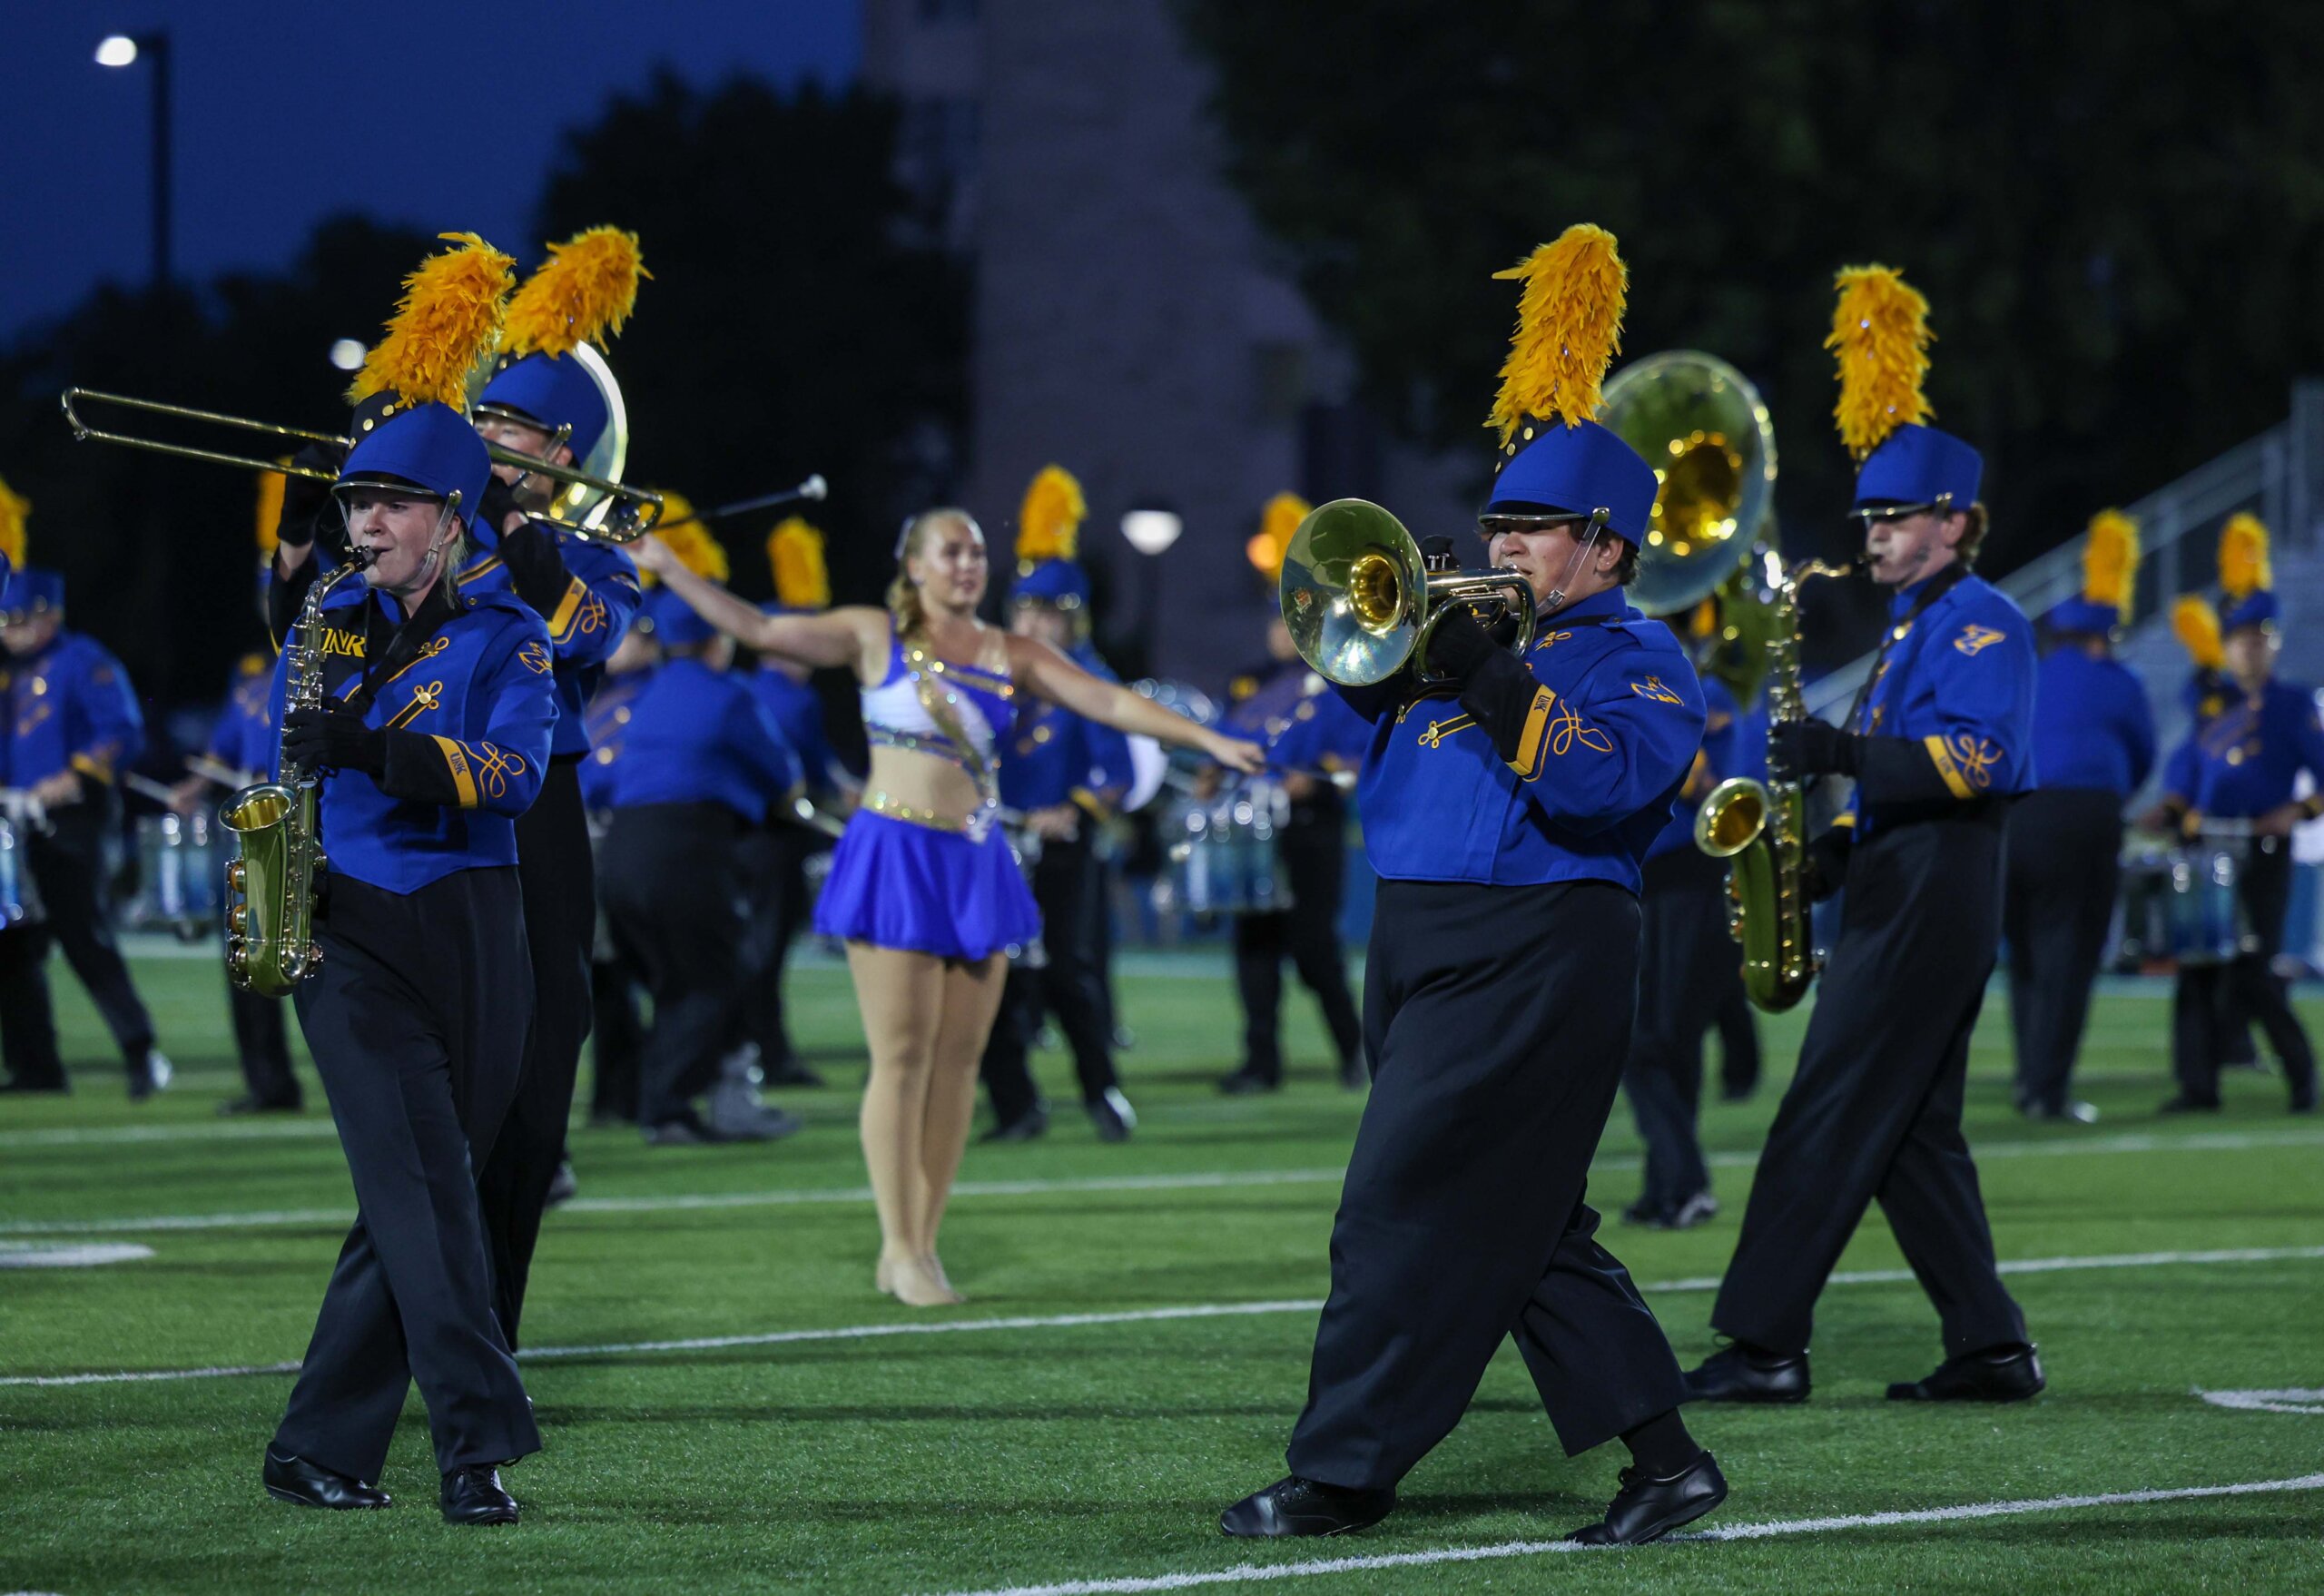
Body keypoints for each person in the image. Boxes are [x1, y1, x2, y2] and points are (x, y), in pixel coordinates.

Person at [1223, 225, 1723, 1546]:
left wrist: (1489, 669)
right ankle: (1668, 1462)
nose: (1502, 542)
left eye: (1531, 527)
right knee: (1522, 1225)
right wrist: (1403, 643)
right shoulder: (1469, 639)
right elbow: (1358, 701)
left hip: (1540, 941)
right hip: (1419, 928)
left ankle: (1343, 1470)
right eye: (1497, 519)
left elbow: (1602, 784)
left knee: (1392, 1203)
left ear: (1605, 546)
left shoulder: (1640, 656)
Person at [633, 506, 1264, 1307]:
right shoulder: (873, 634)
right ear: (915, 565)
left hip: (976, 859)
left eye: (976, 553)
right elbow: (759, 629)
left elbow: (1105, 703)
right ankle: (898, 1247)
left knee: (959, 1062)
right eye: (951, 552)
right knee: (900, 1058)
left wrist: (1207, 740)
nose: (967, 565)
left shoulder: (1010, 651)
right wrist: (672, 568)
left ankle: (923, 1245)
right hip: (895, 854)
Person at [1685, 264, 2042, 1409]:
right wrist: (1835, 845)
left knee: (1828, 1108)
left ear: (1955, 523)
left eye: (1896, 520)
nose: (1876, 537)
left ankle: (1764, 1345)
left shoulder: (1981, 623)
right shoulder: (1910, 630)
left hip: (1941, 883)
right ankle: (1990, 1346)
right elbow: (1902, 769)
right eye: (1871, 521)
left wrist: (1840, 755)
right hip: (1902, 875)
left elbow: (1979, 762)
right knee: (1910, 1132)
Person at [259, 245, 550, 1523]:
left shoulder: (508, 639)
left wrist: (380, 748)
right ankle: (475, 1445)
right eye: (355, 505)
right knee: (427, 1193)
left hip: (479, 931)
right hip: (351, 933)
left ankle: (316, 1446)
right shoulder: (326, 617)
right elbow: (285, 724)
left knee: (419, 1194)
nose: (365, 525)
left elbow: (514, 778)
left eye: (390, 505)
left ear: (451, 515)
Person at [461, 228, 647, 1345]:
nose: (484, 438)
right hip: (431, 805)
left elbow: (586, 639)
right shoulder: (431, 531)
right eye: (479, 420)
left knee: (545, 1044)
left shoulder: (593, 552)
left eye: (506, 428)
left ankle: (497, 1329)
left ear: (559, 449)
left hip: (540, 811)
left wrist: (521, 531)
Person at [595, 583, 804, 1144]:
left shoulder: (641, 697)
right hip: (685, 852)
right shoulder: (730, 695)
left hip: (621, 855)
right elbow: (782, 776)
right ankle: (669, 1108)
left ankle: (668, 1101)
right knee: (717, 978)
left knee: (674, 983)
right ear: (718, 639)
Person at [979, 466, 1140, 1143]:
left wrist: (1070, 809)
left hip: (1062, 850)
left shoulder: (1089, 681)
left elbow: (1118, 773)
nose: (1031, 623)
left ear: (1072, 618)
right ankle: (1015, 1106)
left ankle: (1102, 1092)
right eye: (1023, 610)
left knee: (1069, 975)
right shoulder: (991, 680)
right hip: (994, 842)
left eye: (1045, 612)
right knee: (990, 975)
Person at [2150, 514, 2321, 1114]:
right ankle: (2198, 1087)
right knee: (2196, 968)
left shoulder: (2293, 705)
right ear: (2224, 647)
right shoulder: (2210, 703)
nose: (2249, 647)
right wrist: (2172, 805)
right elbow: (2188, 768)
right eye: (2239, 639)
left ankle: (2303, 1076)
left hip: (2263, 849)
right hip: (2205, 847)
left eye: (2259, 637)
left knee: (2253, 968)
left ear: (2273, 644)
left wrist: (2297, 811)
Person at [1215, 494, 1370, 1096]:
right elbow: (1227, 742)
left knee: (1313, 949)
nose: (1277, 631)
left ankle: (1353, 1050)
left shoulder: (1339, 681)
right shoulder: (1249, 684)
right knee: (1253, 949)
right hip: (1253, 829)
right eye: (1274, 620)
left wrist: (1314, 777)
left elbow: (1358, 755)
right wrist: (1212, 772)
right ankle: (1261, 1063)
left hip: (1310, 829)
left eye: (1287, 621)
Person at [2004, 510, 2155, 1123]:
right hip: (2084, 816)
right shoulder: (2118, 680)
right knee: (2070, 954)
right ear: (2101, 638)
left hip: (2017, 815)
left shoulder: (2030, 676)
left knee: (2025, 954)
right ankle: (2048, 1090)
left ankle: (2026, 1078)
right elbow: (2142, 754)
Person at [0, 566, 172, 1098]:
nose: (8, 631)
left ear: (47, 616)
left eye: (16, 620)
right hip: (13, 825)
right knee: (11, 945)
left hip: (72, 821)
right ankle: (36, 1068)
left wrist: (69, 779)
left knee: (84, 938)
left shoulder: (83, 660)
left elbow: (122, 730)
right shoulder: (7, 674)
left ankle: (142, 1053)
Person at [1619, 599, 1741, 1229]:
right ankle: (1668, 1184)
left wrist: (1683, 761)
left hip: (1690, 881)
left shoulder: (1707, 692)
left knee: (1658, 1040)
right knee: (1653, 1041)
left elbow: (1726, 794)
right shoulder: (1627, 685)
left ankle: (1684, 1181)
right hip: (1638, 883)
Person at [739, 516, 852, 1090]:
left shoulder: (754, 690)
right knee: (765, 949)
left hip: (744, 836)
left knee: (757, 948)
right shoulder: (791, 698)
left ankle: (762, 1050)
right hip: (772, 837)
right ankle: (768, 1054)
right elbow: (813, 769)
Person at [175, 648, 301, 1114]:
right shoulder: (252, 676)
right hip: (255, 831)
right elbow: (222, 748)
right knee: (246, 957)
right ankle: (269, 1084)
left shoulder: (327, 661)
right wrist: (194, 787)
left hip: (305, 827)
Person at [581, 614, 660, 1127]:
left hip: (626, 844)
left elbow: (604, 776)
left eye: (628, 635)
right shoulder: (597, 695)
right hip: (595, 846)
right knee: (607, 977)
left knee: (641, 974)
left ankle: (646, 1093)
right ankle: (616, 1096)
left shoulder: (650, 697)